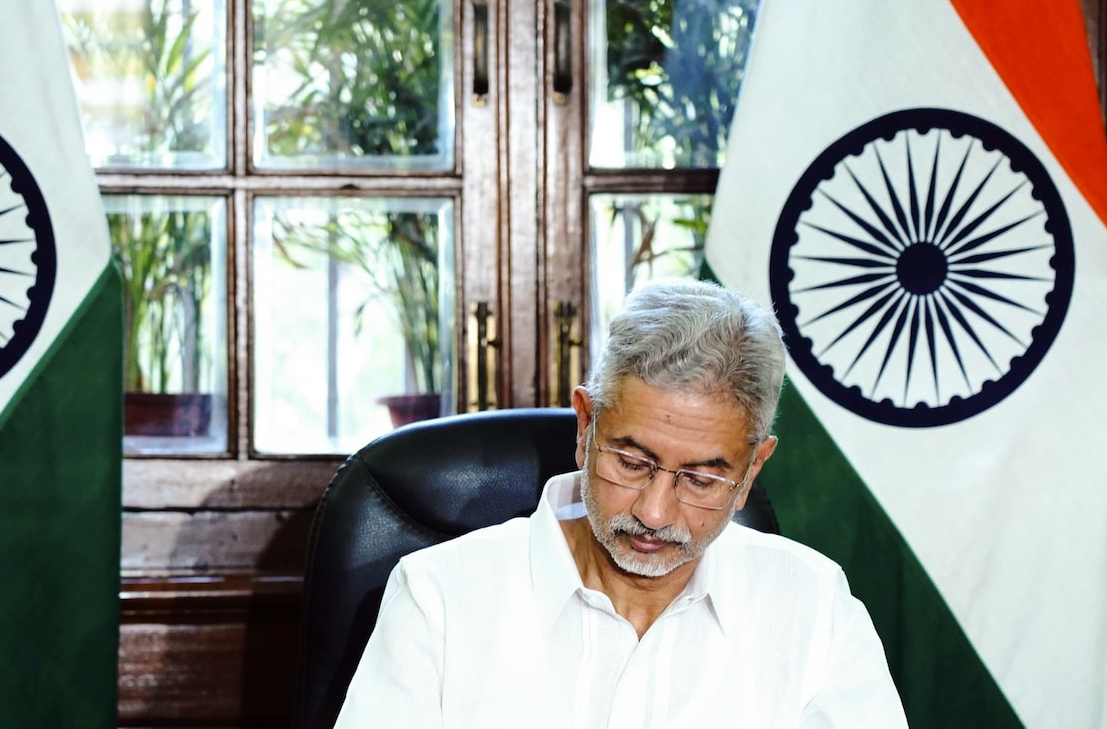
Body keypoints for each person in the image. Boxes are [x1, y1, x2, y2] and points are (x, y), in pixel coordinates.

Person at [333, 279, 908, 728]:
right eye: (632, 463)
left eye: (700, 481)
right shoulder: (440, 598)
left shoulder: (811, 608)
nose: (654, 513)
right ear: (586, 427)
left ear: (752, 469)